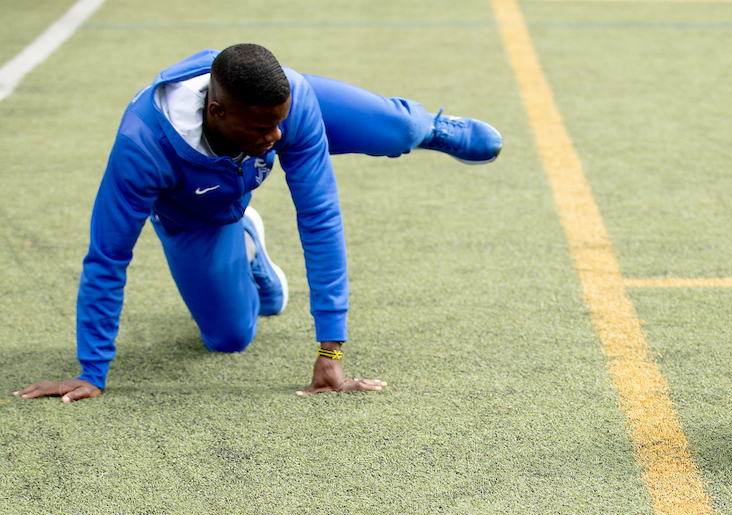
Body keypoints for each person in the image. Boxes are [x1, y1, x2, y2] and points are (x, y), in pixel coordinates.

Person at [14, 43, 502, 403]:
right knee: (229, 339)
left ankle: (432, 127)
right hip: (196, 216)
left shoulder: (286, 112)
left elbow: (319, 217)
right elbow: (108, 255)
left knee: (395, 129)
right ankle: (246, 242)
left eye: (279, 123)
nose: (275, 137)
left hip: (266, 121)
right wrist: (91, 370)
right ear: (216, 110)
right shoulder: (142, 146)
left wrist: (331, 352)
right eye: (260, 128)